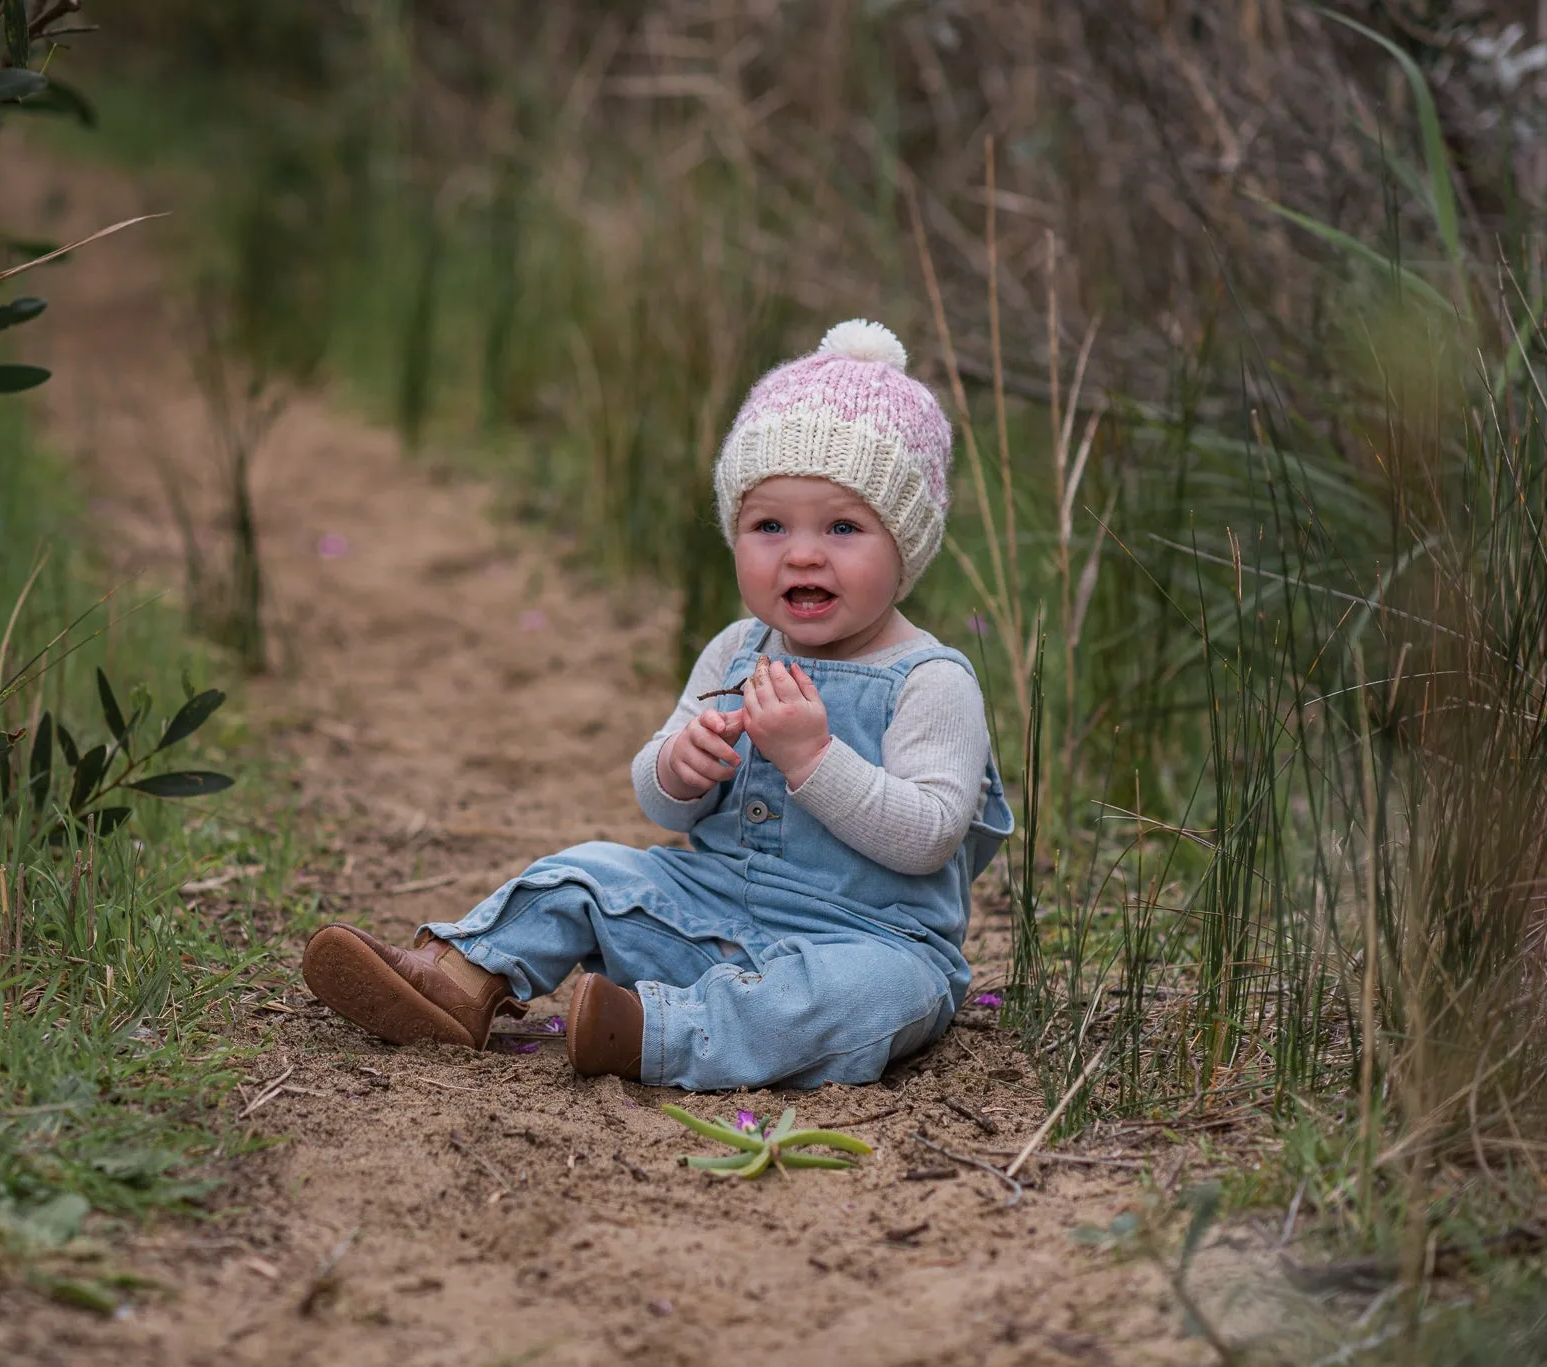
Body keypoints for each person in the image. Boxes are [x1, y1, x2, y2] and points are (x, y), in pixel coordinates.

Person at [301, 319, 1013, 1091]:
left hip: (872, 941)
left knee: (866, 998)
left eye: (843, 527)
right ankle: (459, 975)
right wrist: (681, 769)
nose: (803, 552)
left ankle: (659, 1032)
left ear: (905, 544)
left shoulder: (933, 681)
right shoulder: (737, 650)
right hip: (710, 914)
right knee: (586, 872)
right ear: (733, 531)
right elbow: (663, 809)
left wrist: (813, 758)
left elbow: (931, 837)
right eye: (768, 525)